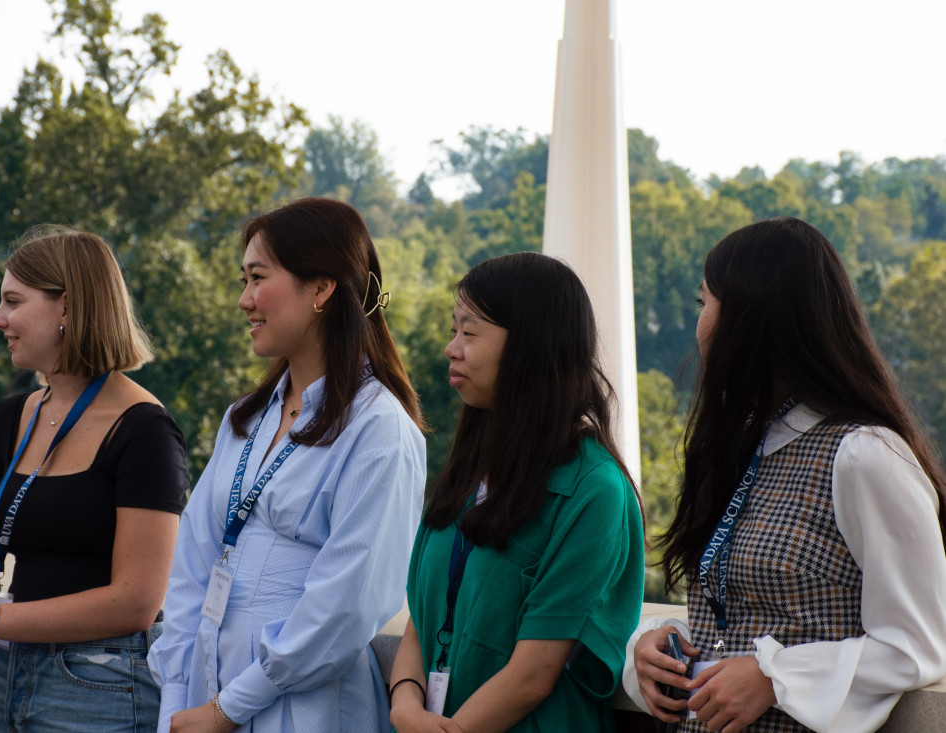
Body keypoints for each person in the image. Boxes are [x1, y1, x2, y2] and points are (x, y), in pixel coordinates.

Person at [623, 217, 946, 733]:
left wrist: (776, 678)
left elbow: (918, 646)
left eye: (704, 303)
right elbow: (748, 615)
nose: (698, 323)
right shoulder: (746, 441)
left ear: (751, 318)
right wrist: (656, 642)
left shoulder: (866, 455)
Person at [148, 197, 427, 733]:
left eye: (257, 278)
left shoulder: (379, 430)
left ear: (321, 288)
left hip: (305, 710)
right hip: (206, 698)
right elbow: (191, 568)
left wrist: (227, 708)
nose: (244, 300)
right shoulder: (245, 419)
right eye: (243, 280)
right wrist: (178, 704)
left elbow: (343, 607)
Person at [0, 227, 190, 732]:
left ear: (68, 307)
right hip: (5, 677)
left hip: (98, 685)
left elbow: (137, 602)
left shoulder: (145, 430)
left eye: (13, 301)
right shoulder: (11, 417)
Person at [389, 252, 646, 733]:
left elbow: (534, 674)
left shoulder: (594, 492)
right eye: (453, 330)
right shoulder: (469, 468)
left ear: (531, 345)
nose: (451, 347)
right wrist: (404, 703)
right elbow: (423, 619)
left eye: (469, 332)